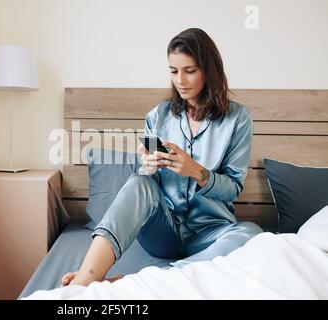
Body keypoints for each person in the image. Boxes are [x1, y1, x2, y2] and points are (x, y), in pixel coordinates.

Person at [61, 28, 263, 287]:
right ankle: (86, 278)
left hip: (209, 232)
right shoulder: (158, 115)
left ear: (209, 70)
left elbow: (233, 188)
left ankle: (133, 281)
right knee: (138, 182)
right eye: (173, 71)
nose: (180, 80)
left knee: (251, 234)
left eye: (189, 70)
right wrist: (148, 167)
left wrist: (198, 172)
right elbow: (144, 190)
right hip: (163, 232)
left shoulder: (237, 119)